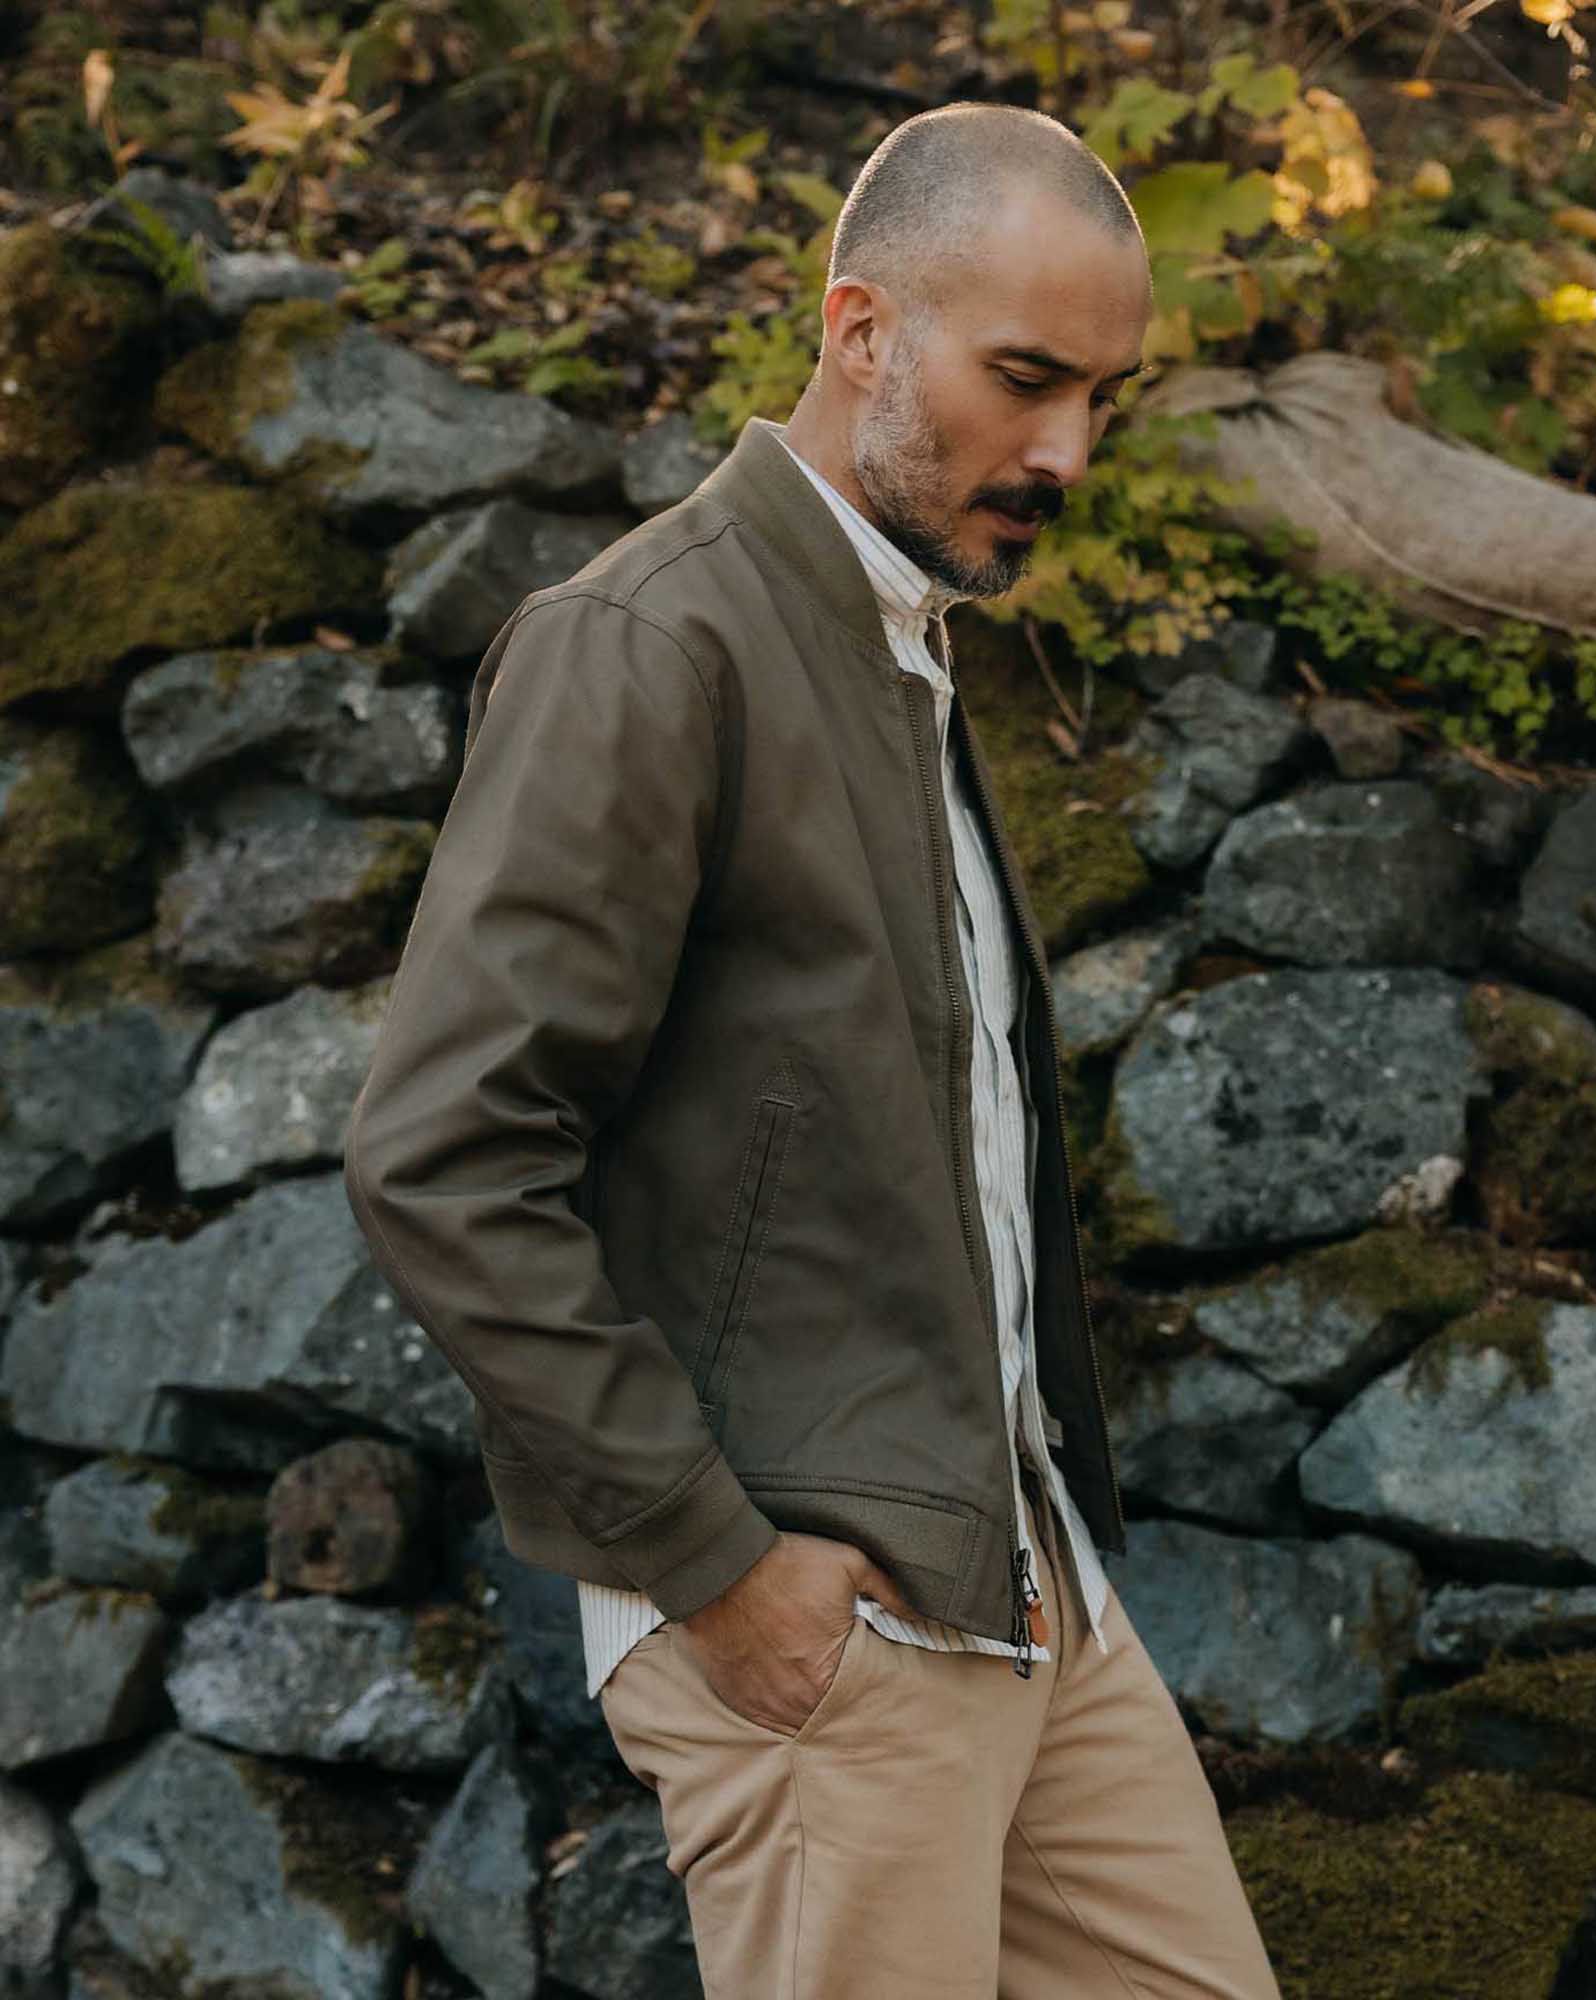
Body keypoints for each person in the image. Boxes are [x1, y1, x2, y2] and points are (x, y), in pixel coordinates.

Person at [344, 99, 1282, 2000]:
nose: (1069, 452)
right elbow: (442, 1156)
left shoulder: (897, 638)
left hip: (1018, 1580)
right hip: (819, 1620)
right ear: (862, 329)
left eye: (1102, 397)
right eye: (1027, 380)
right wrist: (716, 1561)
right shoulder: (653, 644)